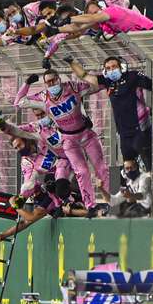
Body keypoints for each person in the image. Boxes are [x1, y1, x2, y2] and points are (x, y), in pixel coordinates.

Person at [15, 69, 109, 214]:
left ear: (59, 79)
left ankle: (113, 201)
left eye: (53, 80)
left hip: (85, 134)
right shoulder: (43, 99)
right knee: (80, 173)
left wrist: (110, 80)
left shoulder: (73, 86)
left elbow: (96, 85)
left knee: (101, 169)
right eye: (48, 82)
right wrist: (27, 83)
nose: (51, 84)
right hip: (68, 144)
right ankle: (89, 205)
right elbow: (18, 103)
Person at [66, 55, 153, 170]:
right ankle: (138, 185)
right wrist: (71, 62)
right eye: (108, 68)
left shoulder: (133, 76)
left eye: (114, 67)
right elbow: (85, 76)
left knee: (146, 159)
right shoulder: (107, 81)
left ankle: (152, 179)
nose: (112, 70)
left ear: (121, 67)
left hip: (140, 126)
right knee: (128, 166)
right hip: (124, 132)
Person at [48, 0, 153, 37]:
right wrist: (57, 29)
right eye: (93, 13)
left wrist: (69, 19)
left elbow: (91, 19)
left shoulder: (112, 10)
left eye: (96, 11)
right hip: (140, 37)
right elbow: (77, 27)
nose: (96, 14)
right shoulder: (103, 23)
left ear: (101, 7)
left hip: (150, 31)